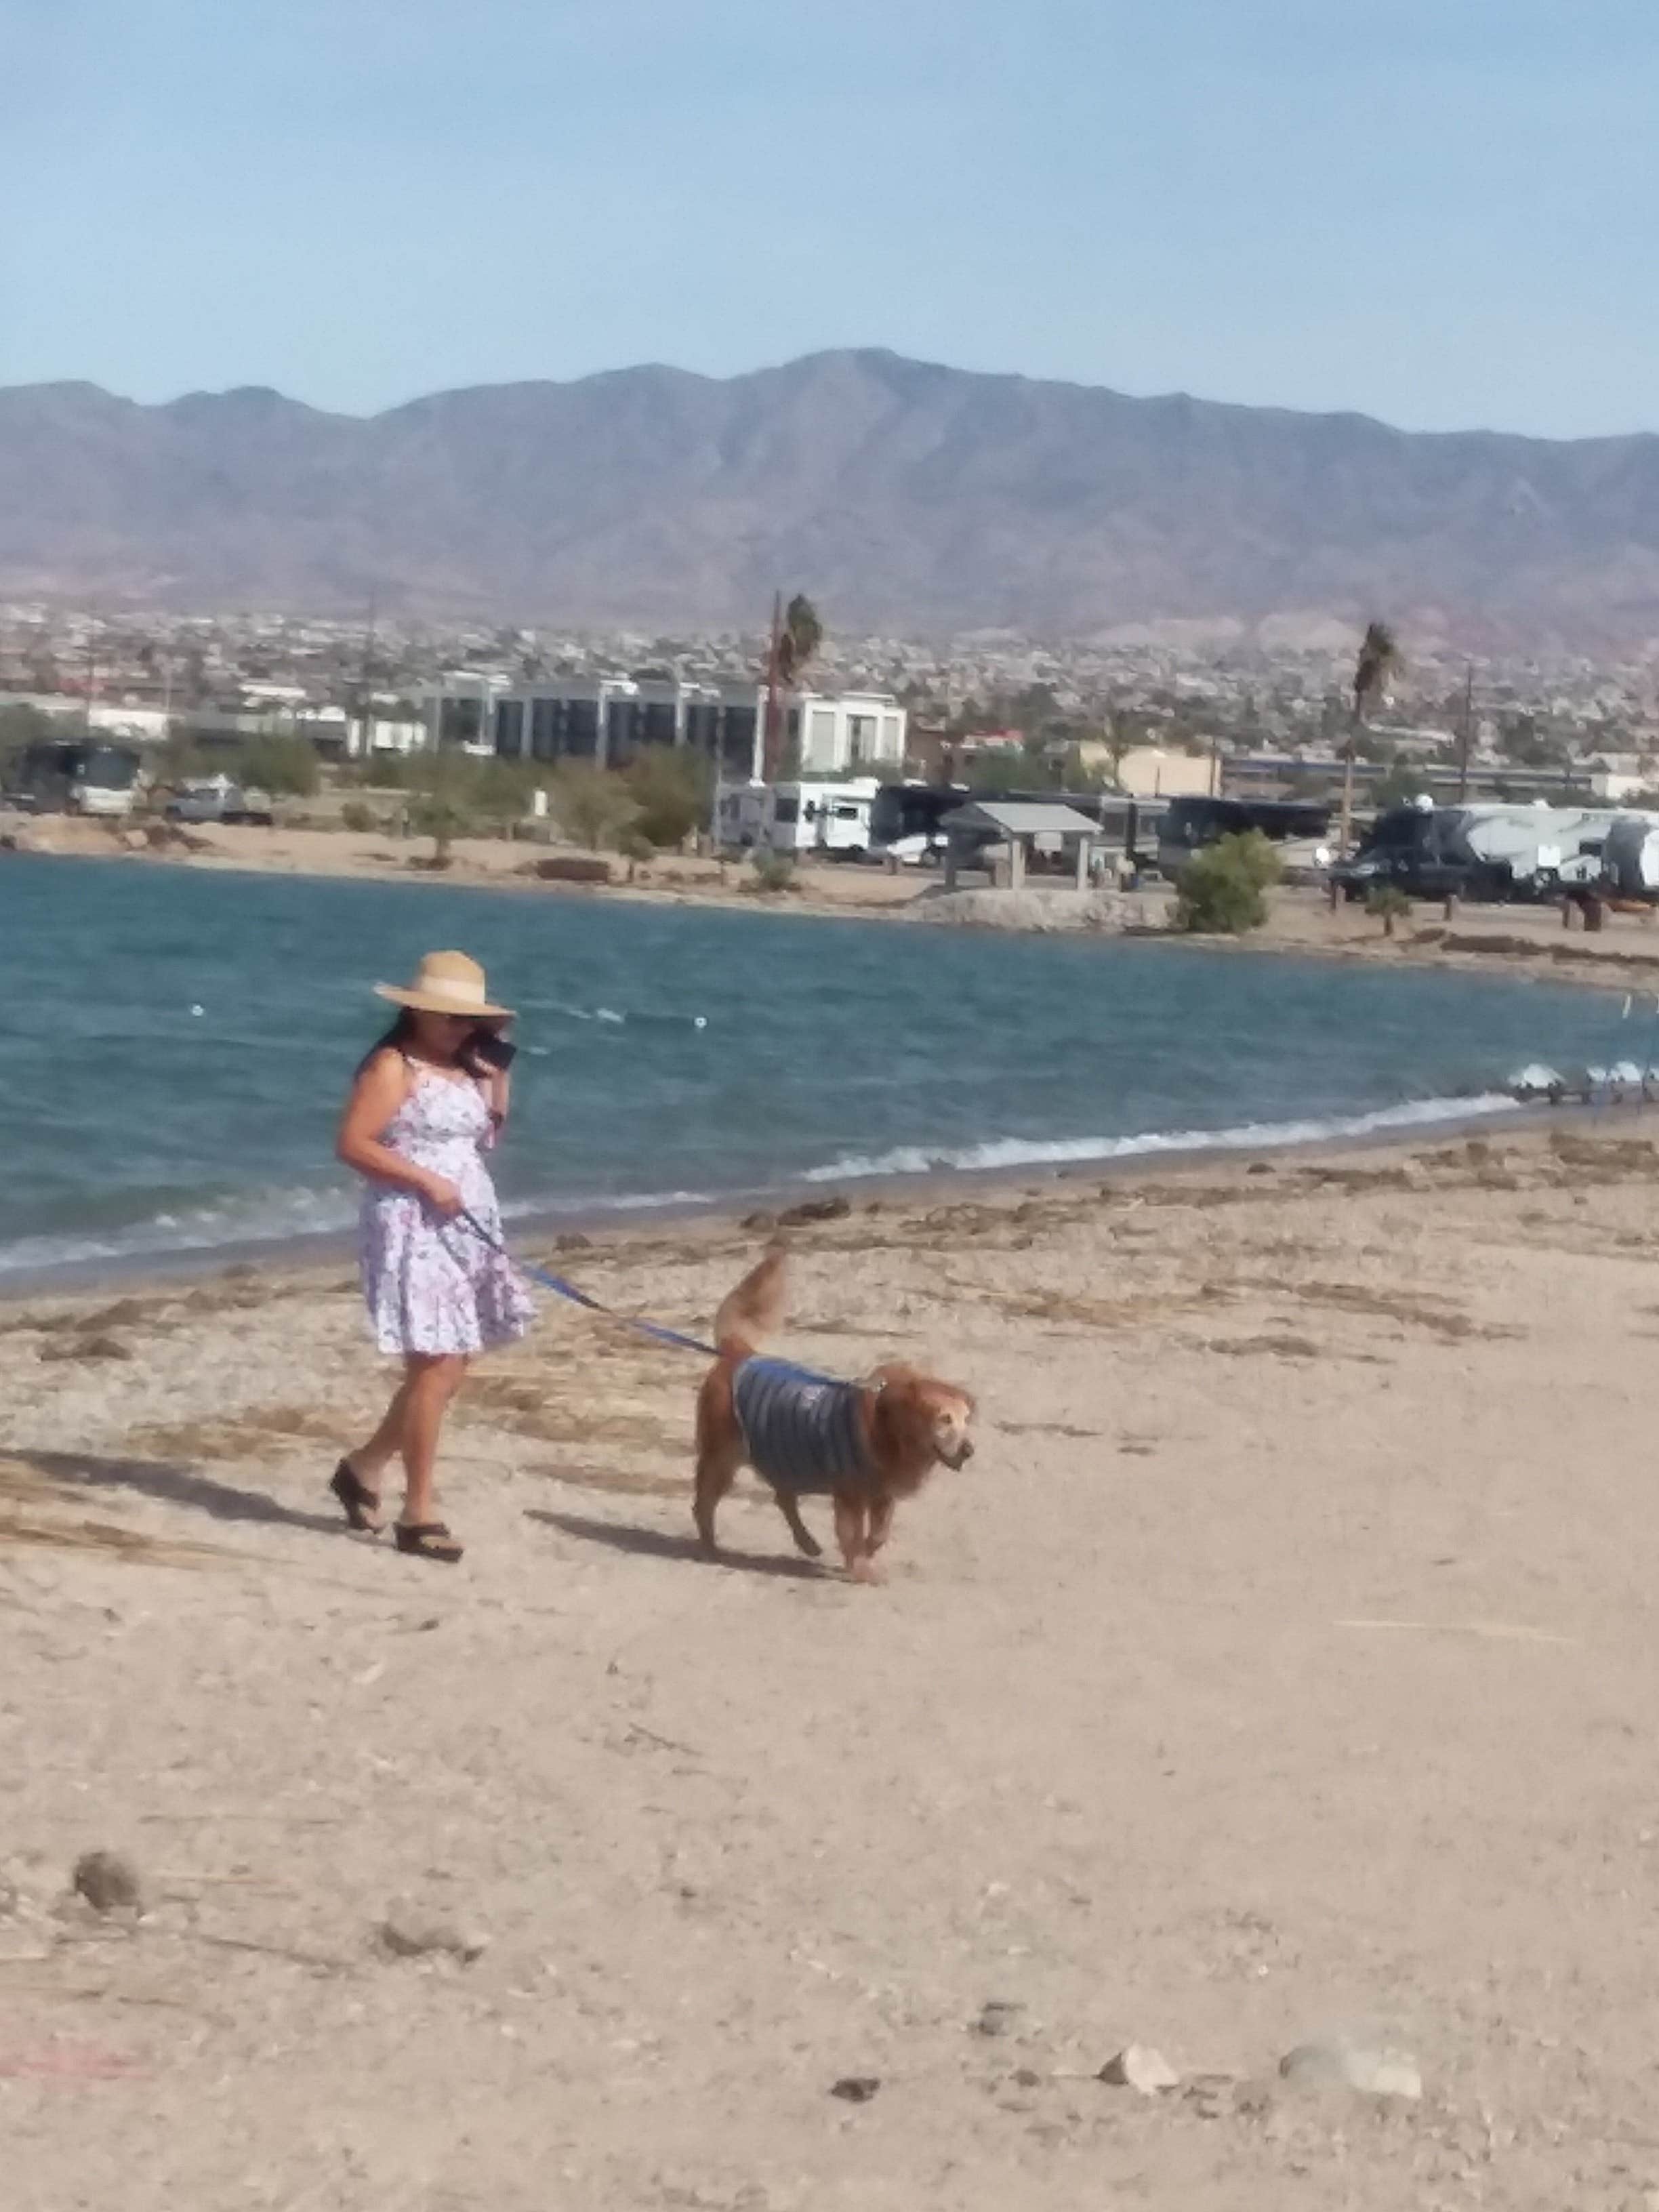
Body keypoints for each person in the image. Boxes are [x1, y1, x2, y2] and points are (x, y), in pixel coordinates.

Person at [331, 950, 533, 1563]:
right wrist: (423, 1180)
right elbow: (353, 1144)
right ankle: (418, 1512)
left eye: (468, 1018)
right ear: (416, 1011)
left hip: (467, 1222)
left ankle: (363, 1467)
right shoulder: (394, 1066)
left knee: (450, 1366)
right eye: (446, 1016)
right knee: (436, 1364)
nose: (457, 1026)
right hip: (411, 1221)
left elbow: (486, 1138)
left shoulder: (467, 1069)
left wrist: (498, 1070)